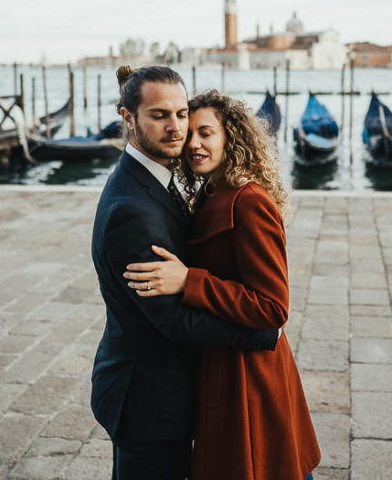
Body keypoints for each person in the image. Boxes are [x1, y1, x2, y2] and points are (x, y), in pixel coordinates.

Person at [90, 67, 280, 480]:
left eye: (181, 114)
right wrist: (263, 334)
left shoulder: (151, 180)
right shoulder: (133, 211)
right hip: (148, 400)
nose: (177, 128)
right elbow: (172, 319)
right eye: (159, 115)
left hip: (157, 392)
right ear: (128, 118)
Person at [123, 90, 321, 480]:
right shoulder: (213, 193)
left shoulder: (249, 201)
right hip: (225, 361)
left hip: (252, 372)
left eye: (207, 134)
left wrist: (188, 280)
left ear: (231, 137)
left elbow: (273, 307)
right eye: (189, 134)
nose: (194, 144)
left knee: (267, 464)